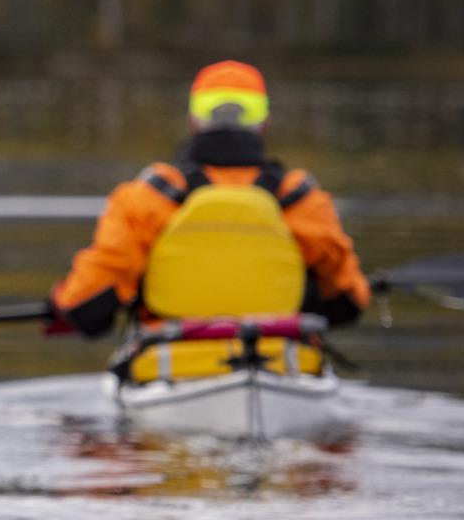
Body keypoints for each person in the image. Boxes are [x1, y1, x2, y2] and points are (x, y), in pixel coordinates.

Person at [49, 61, 370, 337]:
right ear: (263, 122)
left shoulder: (148, 199)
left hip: (172, 365)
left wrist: (61, 302)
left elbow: (87, 305)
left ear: (193, 120)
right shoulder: (300, 201)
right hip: (275, 360)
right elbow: (347, 302)